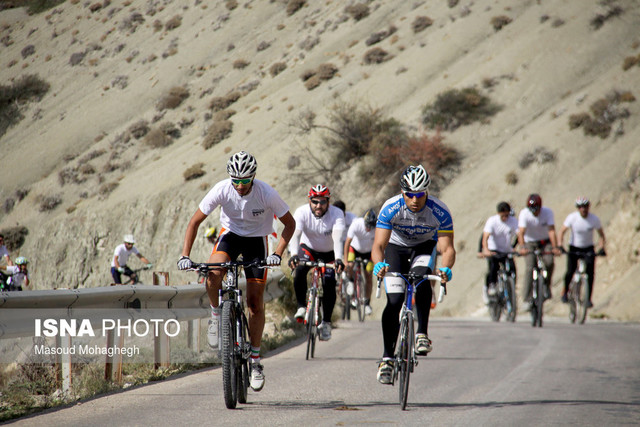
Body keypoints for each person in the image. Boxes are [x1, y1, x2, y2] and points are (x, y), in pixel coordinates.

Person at [177, 151, 295, 392]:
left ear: (253, 177)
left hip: (256, 242)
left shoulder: (266, 193)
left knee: (254, 303)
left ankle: (255, 361)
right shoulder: (222, 189)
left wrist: (277, 254)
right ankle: (215, 317)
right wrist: (185, 255)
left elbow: (289, 224)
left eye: (245, 181)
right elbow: (194, 222)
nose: (240, 186)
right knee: (213, 274)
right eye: (236, 181)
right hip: (230, 237)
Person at [371, 165, 455, 385]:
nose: (415, 200)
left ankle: (422, 333)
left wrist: (446, 268)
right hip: (395, 248)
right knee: (395, 300)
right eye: (410, 195)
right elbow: (378, 245)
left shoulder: (440, 211)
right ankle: (387, 357)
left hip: (424, 247)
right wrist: (379, 264)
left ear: (426, 191)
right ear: (402, 192)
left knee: (422, 278)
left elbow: (447, 249)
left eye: (419, 194)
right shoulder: (390, 208)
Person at [288, 184, 345, 341]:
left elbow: (338, 238)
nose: (318, 206)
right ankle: (301, 306)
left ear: (328, 201)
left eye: (322, 202)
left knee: (329, 283)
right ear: (309, 201)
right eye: (315, 202)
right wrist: (293, 255)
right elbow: (296, 234)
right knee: (299, 269)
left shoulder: (337, 213)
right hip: (309, 249)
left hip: (330, 252)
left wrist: (339, 258)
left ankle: (326, 322)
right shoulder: (301, 212)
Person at [559, 197, 606, 307]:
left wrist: (602, 247)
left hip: (588, 248)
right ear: (578, 208)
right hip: (574, 247)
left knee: (590, 272)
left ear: (588, 207)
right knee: (570, 271)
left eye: (585, 207)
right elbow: (562, 231)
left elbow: (601, 235)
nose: (583, 209)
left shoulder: (594, 219)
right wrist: (560, 245)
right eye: (580, 207)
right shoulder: (572, 218)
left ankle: (588, 299)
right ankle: (565, 292)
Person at [517, 194, 562, 309]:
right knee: (530, 266)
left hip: (544, 242)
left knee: (550, 262)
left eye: (536, 210)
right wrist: (522, 247)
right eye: (531, 209)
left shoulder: (547, 213)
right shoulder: (524, 214)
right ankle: (526, 298)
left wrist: (555, 247)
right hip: (530, 243)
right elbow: (521, 233)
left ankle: (546, 286)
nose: (534, 212)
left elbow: (551, 231)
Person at [481, 202, 518, 304]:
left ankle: (511, 288)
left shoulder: (513, 221)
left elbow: (520, 234)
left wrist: (519, 247)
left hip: (506, 250)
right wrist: (486, 249)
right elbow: (485, 237)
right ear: (498, 213)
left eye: (507, 215)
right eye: (503, 216)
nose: (505, 218)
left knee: (512, 268)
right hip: (494, 249)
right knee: (493, 266)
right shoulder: (492, 221)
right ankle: (492, 285)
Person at [343, 208, 377, 315]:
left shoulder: (377, 229)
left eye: (371, 227)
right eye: (367, 225)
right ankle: (351, 284)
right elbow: (347, 243)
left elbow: (379, 245)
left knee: (368, 275)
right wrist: (345, 262)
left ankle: (367, 303)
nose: (368, 229)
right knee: (350, 266)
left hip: (369, 252)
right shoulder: (356, 224)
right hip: (355, 249)